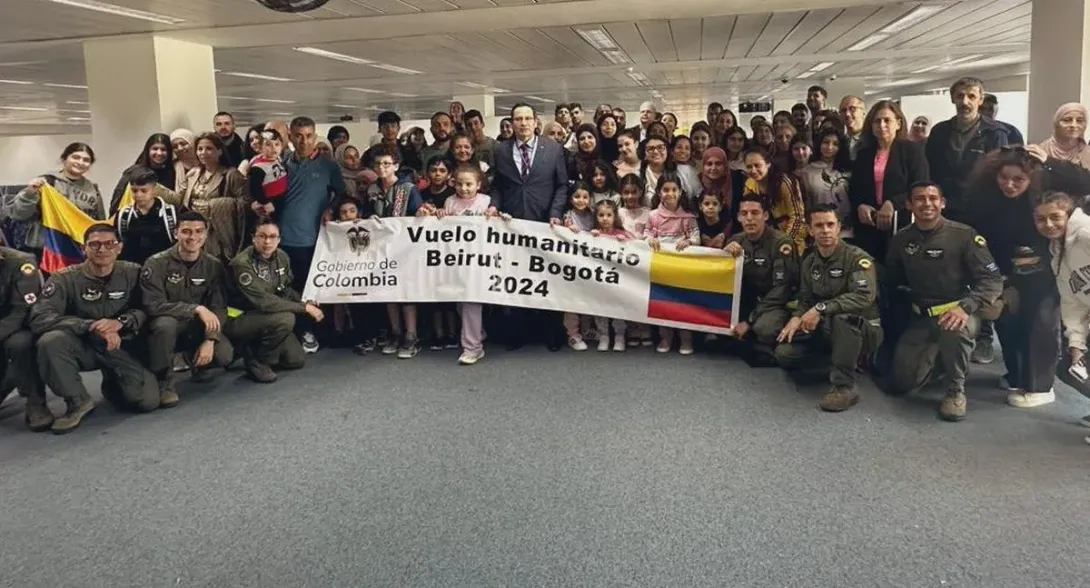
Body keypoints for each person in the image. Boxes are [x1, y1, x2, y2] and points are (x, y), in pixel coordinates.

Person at [884, 182, 1003, 421]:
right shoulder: (902, 239)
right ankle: (939, 361)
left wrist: (966, 307)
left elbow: (992, 279)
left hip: (958, 311)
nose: (926, 203)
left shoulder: (964, 235)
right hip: (922, 316)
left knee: (954, 332)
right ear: (909, 204)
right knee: (902, 383)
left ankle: (955, 390)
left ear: (943, 203)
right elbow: (891, 277)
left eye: (932, 198)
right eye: (919, 198)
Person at [31, 224, 159, 434]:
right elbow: (40, 318)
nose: (102, 249)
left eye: (109, 244)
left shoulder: (133, 272)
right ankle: (77, 401)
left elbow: (150, 308)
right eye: (95, 244)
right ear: (84, 248)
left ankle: (113, 383)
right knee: (50, 341)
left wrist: (122, 321)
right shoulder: (63, 279)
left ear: (119, 248)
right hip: (82, 346)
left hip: (120, 345)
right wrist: (88, 326)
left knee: (147, 401)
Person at [775, 204, 882, 412]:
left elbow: (863, 297)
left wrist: (820, 308)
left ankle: (845, 386)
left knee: (843, 318)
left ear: (839, 227)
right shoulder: (810, 261)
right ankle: (841, 360)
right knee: (784, 353)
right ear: (810, 230)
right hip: (828, 326)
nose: (825, 230)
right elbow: (806, 299)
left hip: (863, 327)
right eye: (819, 225)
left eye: (830, 224)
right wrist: (797, 317)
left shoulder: (857, 258)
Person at [490, 103, 570, 351]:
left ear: (536, 122)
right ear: (511, 123)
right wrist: (494, 206)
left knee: (548, 279)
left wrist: (556, 213)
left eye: (527, 119)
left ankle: (552, 331)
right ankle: (517, 332)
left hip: (545, 222)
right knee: (516, 278)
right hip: (511, 224)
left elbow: (562, 185)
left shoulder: (553, 149)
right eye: (517, 119)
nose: (523, 123)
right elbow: (497, 185)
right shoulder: (500, 150)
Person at [141, 211, 234, 406]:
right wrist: (196, 308)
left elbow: (219, 307)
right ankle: (164, 380)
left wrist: (210, 339)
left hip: (196, 328)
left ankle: (195, 361)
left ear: (206, 234)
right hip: (164, 328)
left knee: (224, 354)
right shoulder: (156, 263)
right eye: (186, 231)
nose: (193, 237)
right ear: (176, 234)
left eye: (199, 231)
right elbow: (153, 305)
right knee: (165, 324)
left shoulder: (213, 265)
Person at [280, 116, 348, 354]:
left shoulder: (328, 165)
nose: (303, 141)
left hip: (314, 238)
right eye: (298, 136)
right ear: (290, 137)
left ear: (315, 136)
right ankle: (300, 331)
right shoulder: (281, 163)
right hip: (282, 238)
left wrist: (330, 208)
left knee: (315, 287)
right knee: (292, 288)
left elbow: (341, 193)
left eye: (309, 136)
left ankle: (319, 331)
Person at [225, 220, 322, 383]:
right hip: (240, 317)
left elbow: (285, 289)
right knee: (286, 318)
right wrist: (304, 308)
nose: (267, 241)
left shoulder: (282, 256)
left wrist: (305, 300)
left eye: (272, 236)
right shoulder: (242, 264)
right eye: (262, 236)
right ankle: (258, 361)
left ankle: (250, 347)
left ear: (279, 239)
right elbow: (263, 302)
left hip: (267, 317)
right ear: (253, 238)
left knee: (295, 360)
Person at [433, 165, 499, 365]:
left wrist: (496, 216)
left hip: (479, 260)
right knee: (461, 303)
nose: (464, 188)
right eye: (460, 184)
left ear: (478, 185)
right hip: (456, 260)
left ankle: (472, 348)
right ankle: (477, 332)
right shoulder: (450, 202)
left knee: (471, 301)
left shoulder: (486, 202)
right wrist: (441, 216)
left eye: (469, 184)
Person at [1035, 191, 1090, 429]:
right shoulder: (1057, 253)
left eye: (1055, 217)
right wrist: (1077, 345)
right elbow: (1072, 303)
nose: (1048, 224)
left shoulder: (1086, 234)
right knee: (1069, 367)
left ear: (1068, 215)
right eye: (1040, 219)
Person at [926, 77, 1011, 225]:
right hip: (946, 209)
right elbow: (929, 169)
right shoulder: (939, 132)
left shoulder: (996, 133)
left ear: (980, 100)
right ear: (953, 99)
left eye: (971, 96)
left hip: (981, 210)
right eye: (960, 96)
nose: (965, 102)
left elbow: (1000, 173)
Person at [725, 195, 798, 363]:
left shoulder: (781, 243)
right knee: (718, 322)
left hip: (775, 302)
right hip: (748, 300)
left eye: (755, 213)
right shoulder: (736, 240)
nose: (749, 218)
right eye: (744, 213)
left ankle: (771, 344)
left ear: (765, 215)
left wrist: (749, 320)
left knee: (764, 329)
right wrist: (725, 255)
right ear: (738, 217)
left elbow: (782, 289)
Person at [366, 146, 424, 358]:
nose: (382, 168)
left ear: (396, 166)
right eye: (378, 164)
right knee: (388, 292)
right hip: (382, 248)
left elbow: (418, 212)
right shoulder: (372, 190)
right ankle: (396, 332)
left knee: (406, 293)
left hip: (406, 247)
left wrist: (423, 212)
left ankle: (411, 335)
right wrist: (368, 219)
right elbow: (365, 213)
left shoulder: (408, 188)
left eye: (387, 164)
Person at [9, 142, 105, 260]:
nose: (80, 162)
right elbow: (18, 214)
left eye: (86, 160)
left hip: (79, 251)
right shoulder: (46, 183)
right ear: (64, 159)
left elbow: (99, 222)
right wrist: (30, 192)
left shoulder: (93, 190)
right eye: (75, 157)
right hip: (47, 252)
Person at [644, 173, 699, 355]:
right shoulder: (653, 216)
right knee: (664, 304)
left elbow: (696, 238)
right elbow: (646, 234)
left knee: (684, 304)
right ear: (659, 193)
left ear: (680, 192)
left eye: (674, 190)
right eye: (666, 190)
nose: (670, 194)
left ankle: (686, 339)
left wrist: (689, 242)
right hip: (661, 268)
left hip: (682, 270)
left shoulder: (688, 217)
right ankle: (665, 338)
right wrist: (649, 239)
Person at [178, 132, 248, 261]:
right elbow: (181, 200)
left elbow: (246, 202)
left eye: (209, 148)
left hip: (219, 235)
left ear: (219, 151)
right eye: (200, 149)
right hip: (196, 234)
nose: (203, 152)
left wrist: (213, 206)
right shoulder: (194, 174)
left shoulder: (231, 174)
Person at [0, 245, 48, 431]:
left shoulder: (21, 263)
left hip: (22, 323)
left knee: (19, 344)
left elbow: (23, 310)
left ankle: (36, 401)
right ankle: (9, 378)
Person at [741, 148, 807, 252]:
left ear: (768, 164)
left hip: (790, 240)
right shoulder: (749, 184)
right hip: (764, 242)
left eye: (757, 165)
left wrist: (786, 243)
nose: (753, 170)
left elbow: (798, 217)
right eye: (749, 167)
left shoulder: (785, 182)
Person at [588, 199, 631, 351]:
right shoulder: (592, 233)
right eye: (601, 215)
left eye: (608, 215)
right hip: (599, 279)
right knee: (600, 308)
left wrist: (625, 241)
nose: (605, 218)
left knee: (618, 307)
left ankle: (619, 335)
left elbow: (635, 252)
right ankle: (604, 335)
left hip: (617, 280)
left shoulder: (622, 234)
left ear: (614, 217)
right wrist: (589, 238)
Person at [116, 165, 179, 264]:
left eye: (144, 191)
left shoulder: (171, 214)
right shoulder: (123, 216)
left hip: (162, 270)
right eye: (134, 190)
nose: (138, 195)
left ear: (154, 190)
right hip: (132, 271)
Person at [109, 133, 177, 215]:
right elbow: (117, 199)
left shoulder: (173, 172)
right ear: (148, 150)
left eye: (163, 149)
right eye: (155, 149)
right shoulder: (133, 172)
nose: (159, 153)